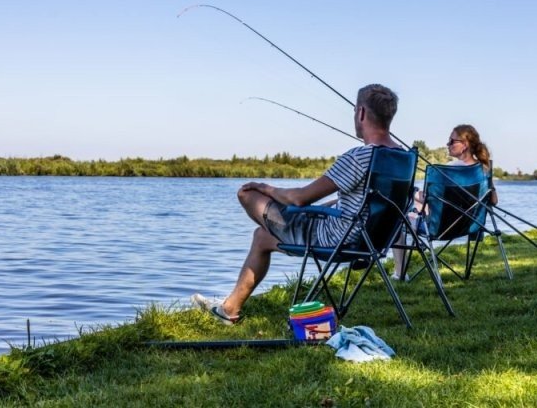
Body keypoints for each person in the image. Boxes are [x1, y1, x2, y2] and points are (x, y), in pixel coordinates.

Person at [191, 84, 401, 325]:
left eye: (355, 111)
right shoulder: (402, 156)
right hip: (372, 242)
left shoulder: (360, 156)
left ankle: (229, 310)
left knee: (247, 194)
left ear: (361, 113)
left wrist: (265, 187)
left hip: (337, 240)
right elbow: (374, 203)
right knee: (262, 236)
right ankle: (229, 309)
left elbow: (300, 197)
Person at [391, 124, 497, 280]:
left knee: (397, 220)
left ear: (465, 144)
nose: (447, 145)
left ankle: (400, 273)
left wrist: (412, 193)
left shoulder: (449, 170)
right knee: (417, 210)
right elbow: (493, 201)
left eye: (452, 141)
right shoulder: (483, 169)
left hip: (439, 228)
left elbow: (427, 198)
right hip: (471, 225)